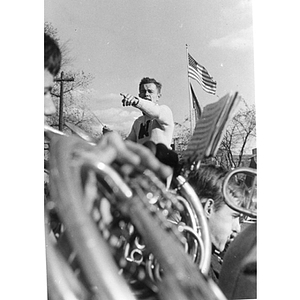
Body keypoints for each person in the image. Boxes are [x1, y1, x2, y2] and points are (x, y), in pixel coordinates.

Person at [188, 164, 247, 283]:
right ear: (209, 208)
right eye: (233, 217)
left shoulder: (209, 257)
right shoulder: (194, 263)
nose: (237, 228)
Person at [121, 77, 174, 148]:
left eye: (150, 91)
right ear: (139, 95)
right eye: (143, 91)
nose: (146, 94)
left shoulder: (165, 111)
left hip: (161, 157)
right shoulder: (138, 122)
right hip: (145, 158)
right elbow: (128, 145)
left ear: (158, 96)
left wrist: (137, 101)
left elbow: (155, 111)